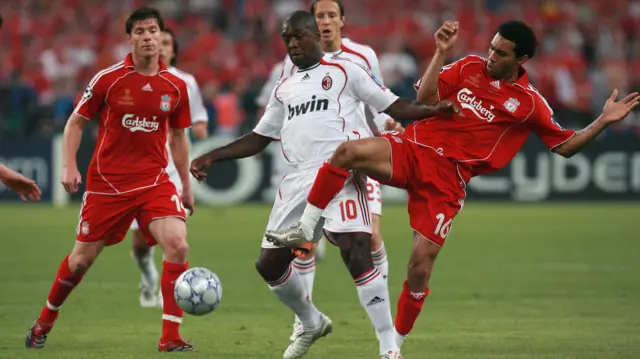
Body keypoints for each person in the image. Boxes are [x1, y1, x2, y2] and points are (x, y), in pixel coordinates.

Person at [265, 20, 640, 350]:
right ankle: (307, 226)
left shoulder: (528, 104)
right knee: (347, 152)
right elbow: (426, 98)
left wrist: (603, 122)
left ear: (521, 60)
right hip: (413, 149)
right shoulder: (469, 66)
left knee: (420, 268)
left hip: (448, 181)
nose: (491, 56)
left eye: (501, 53)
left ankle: (395, 340)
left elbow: (565, 146)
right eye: (491, 47)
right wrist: (441, 53)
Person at [191, 10, 456, 359]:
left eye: (299, 36)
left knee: (356, 247)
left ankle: (388, 346)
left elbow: (395, 105)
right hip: (298, 178)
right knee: (268, 266)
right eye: (287, 39)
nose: (293, 44)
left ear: (316, 35)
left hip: (340, 172)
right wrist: (213, 155)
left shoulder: (347, 71)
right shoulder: (284, 88)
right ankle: (311, 321)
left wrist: (433, 112)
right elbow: (258, 138)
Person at [25, 7, 196, 352]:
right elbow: (75, 123)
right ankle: (45, 321)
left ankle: (170, 338)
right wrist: (69, 165)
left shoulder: (175, 87)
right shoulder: (109, 79)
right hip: (109, 185)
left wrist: (187, 186)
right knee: (79, 262)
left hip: (154, 181)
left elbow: (178, 137)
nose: (148, 37)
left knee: (177, 244)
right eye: (141, 32)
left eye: (153, 31)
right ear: (130, 38)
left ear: (161, 40)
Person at [254, 0, 396, 343]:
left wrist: (387, 125)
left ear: (341, 21)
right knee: (305, 247)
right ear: (312, 24)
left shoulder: (361, 57)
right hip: (305, 167)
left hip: (355, 160)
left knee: (370, 238)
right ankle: (304, 320)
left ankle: (386, 331)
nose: (327, 21)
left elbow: (377, 103)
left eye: (332, 15)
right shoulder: (288, 67)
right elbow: (270, 112)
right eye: (321, 15)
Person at [129, 26, 209, 309]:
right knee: (140, 242)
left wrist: (199, 128)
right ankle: (149, 275)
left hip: (174, 170)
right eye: (157, 41)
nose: (160, 46)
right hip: (139, 171)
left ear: (173, 50)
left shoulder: (185, 82)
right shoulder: (133, 79)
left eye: (166, 42)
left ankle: (169, 293)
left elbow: (199, 120)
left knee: (175, 239)